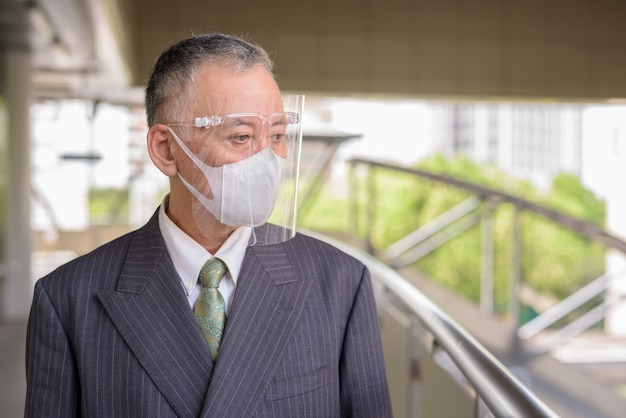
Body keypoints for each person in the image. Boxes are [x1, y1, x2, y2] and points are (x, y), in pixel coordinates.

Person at [25, 33, 392, 417]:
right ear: (166, 150)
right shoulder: (69, 299)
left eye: (278, 135)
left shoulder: (340, 284)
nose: (267, 158)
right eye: (240, 136)